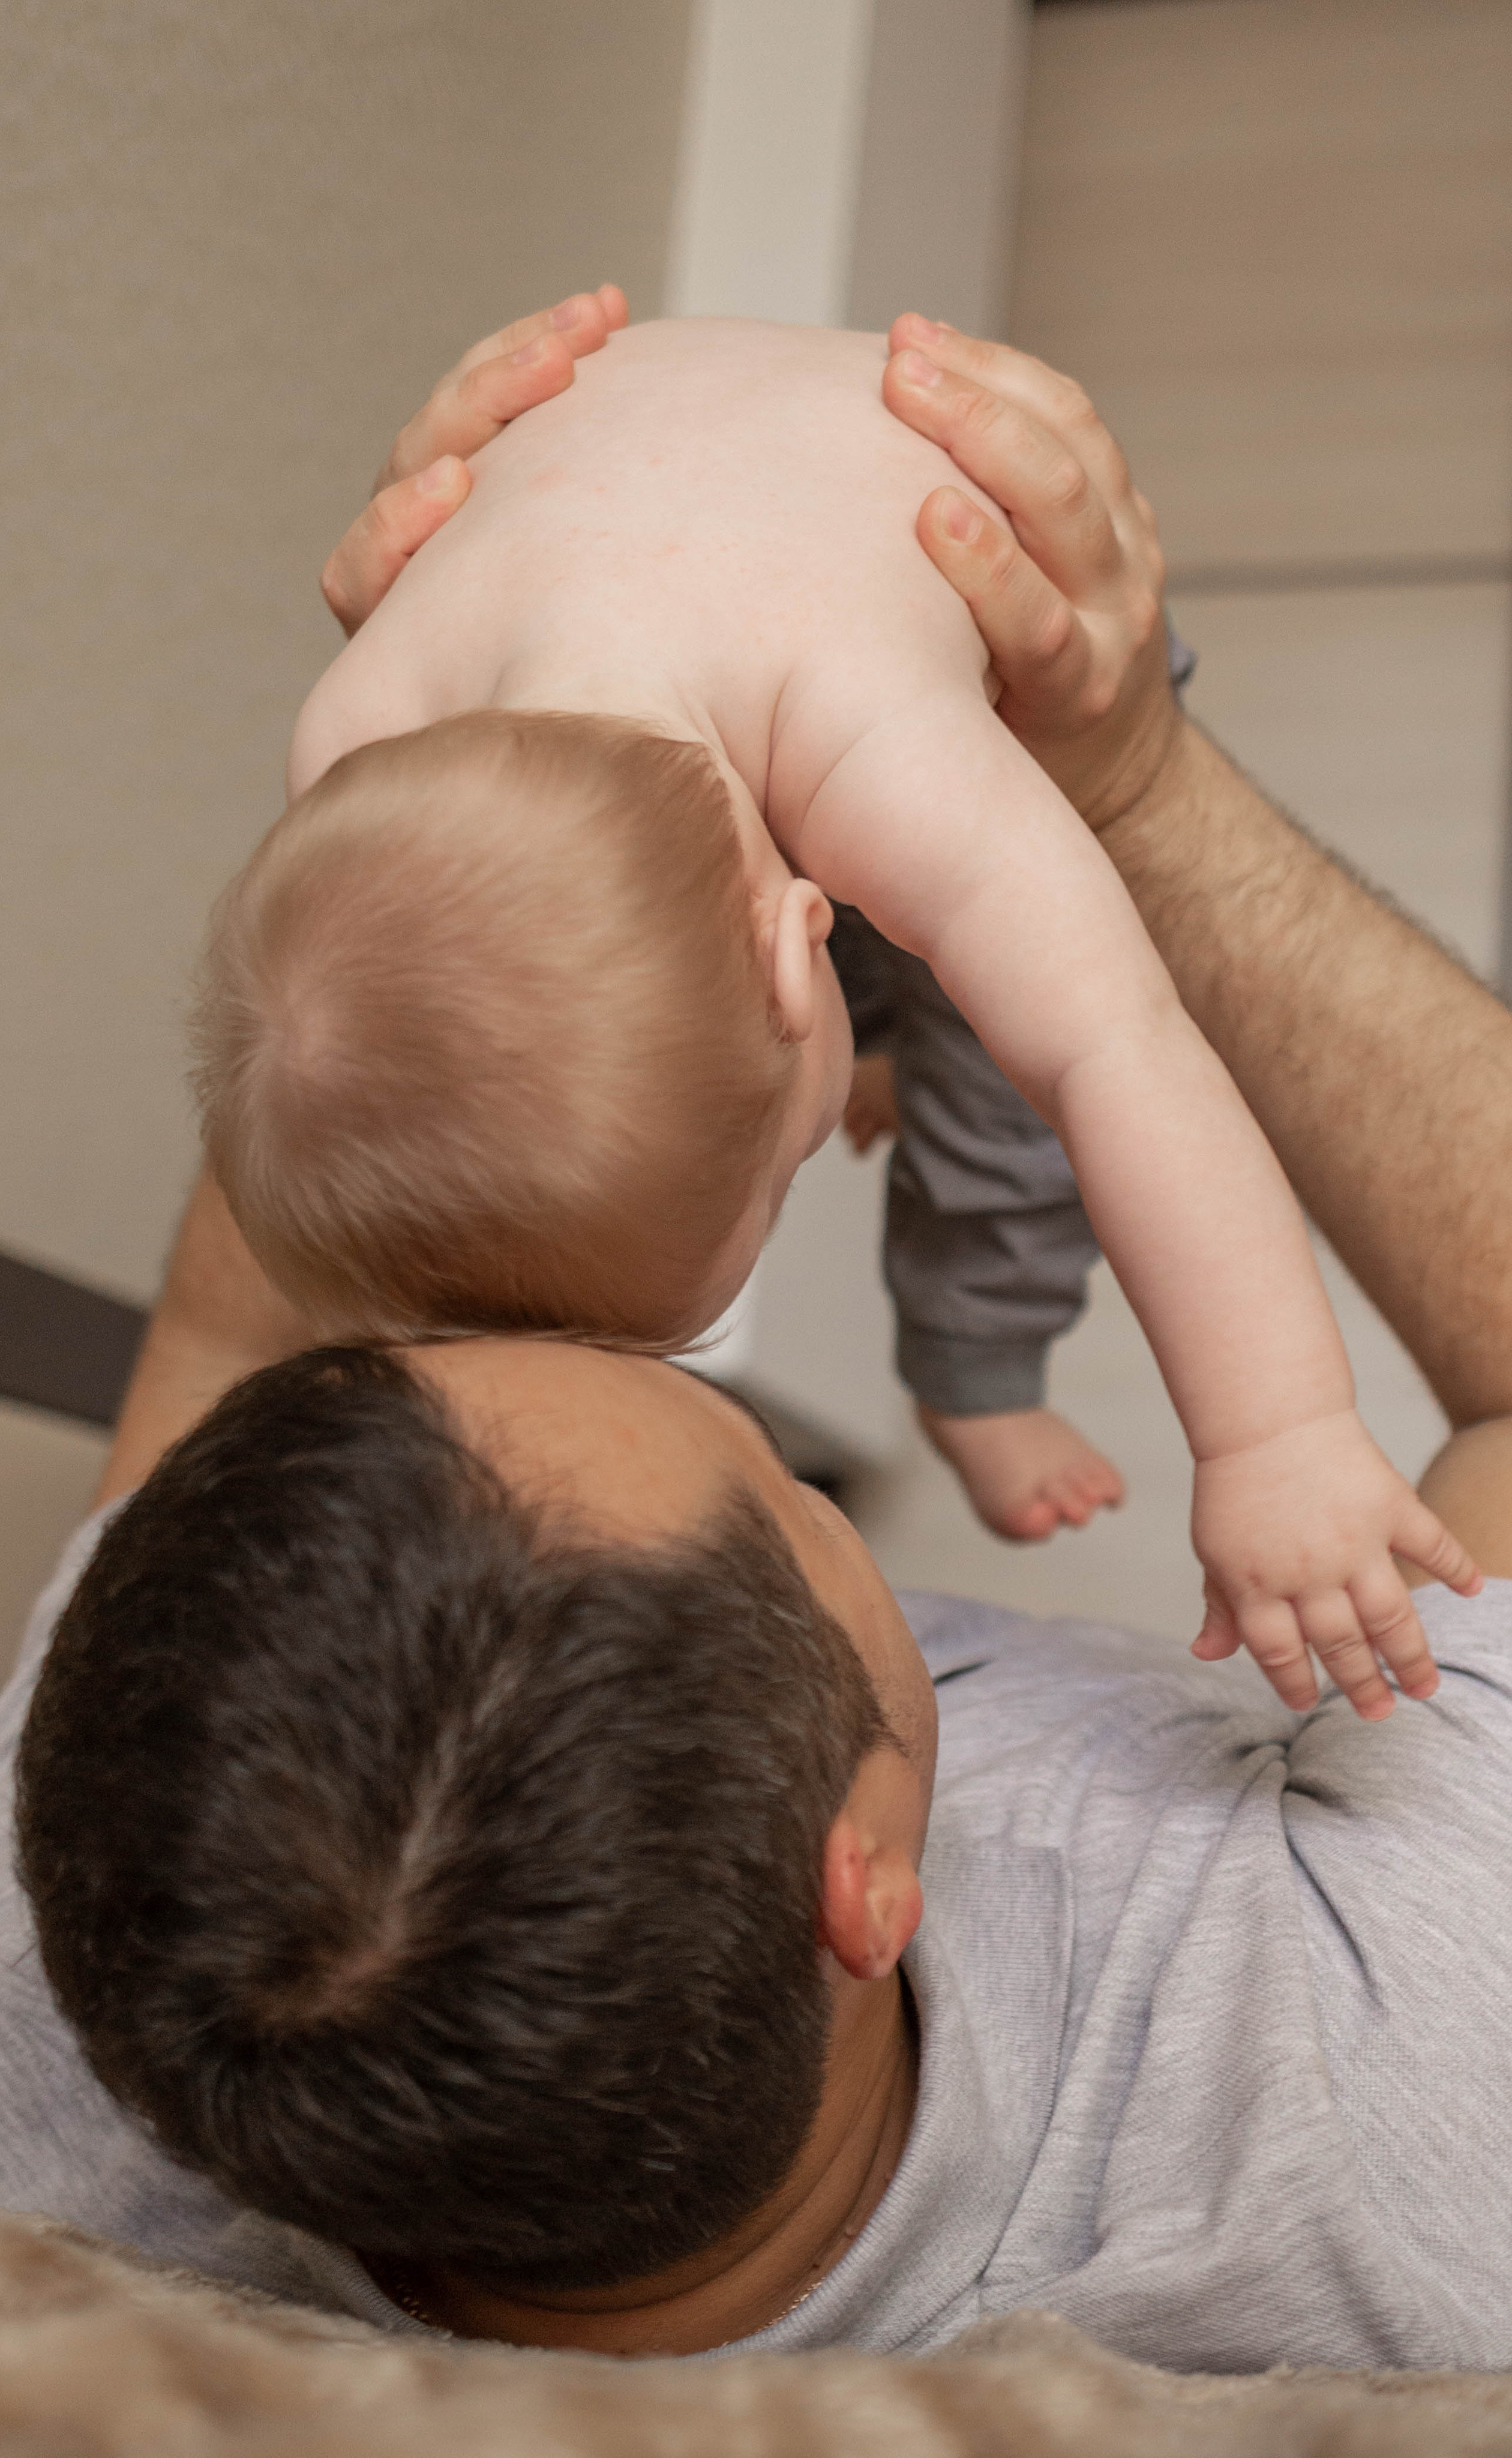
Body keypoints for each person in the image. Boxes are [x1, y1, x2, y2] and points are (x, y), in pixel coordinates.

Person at [8, 302, 1512, 2382]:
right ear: (865, 1876)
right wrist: (1130, 771)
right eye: (796, 1508)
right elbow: (1113, 1048)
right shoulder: (1386, 2082)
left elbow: (223, 1293)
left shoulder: (114, 1865)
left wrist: (464, 881)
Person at [188, 311, 1474, 1689]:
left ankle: (975, 1358)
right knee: (670, 922)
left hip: (958, 573)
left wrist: (1274, 1439)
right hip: (664, 421)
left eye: (787, 1166)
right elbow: (431, 968)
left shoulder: (886, 750)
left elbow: (1126, 1054)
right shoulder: (354, 738)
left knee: (1021, 1065)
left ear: (807, 942)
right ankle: (828, 1048)